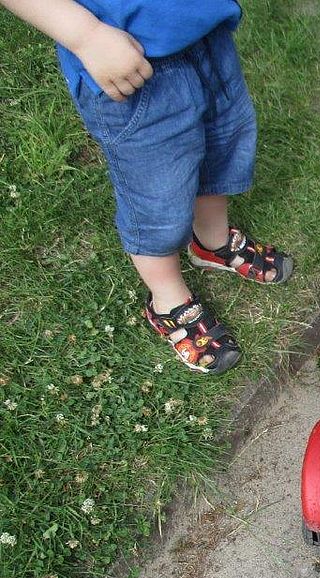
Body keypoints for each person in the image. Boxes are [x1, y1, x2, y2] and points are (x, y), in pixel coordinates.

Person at [0, 0, 293, 374]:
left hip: (206, 32)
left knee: (223, 147)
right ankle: (168, 301)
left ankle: (212, 242)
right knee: (159, 194)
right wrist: (85, 35)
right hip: (129, 62)